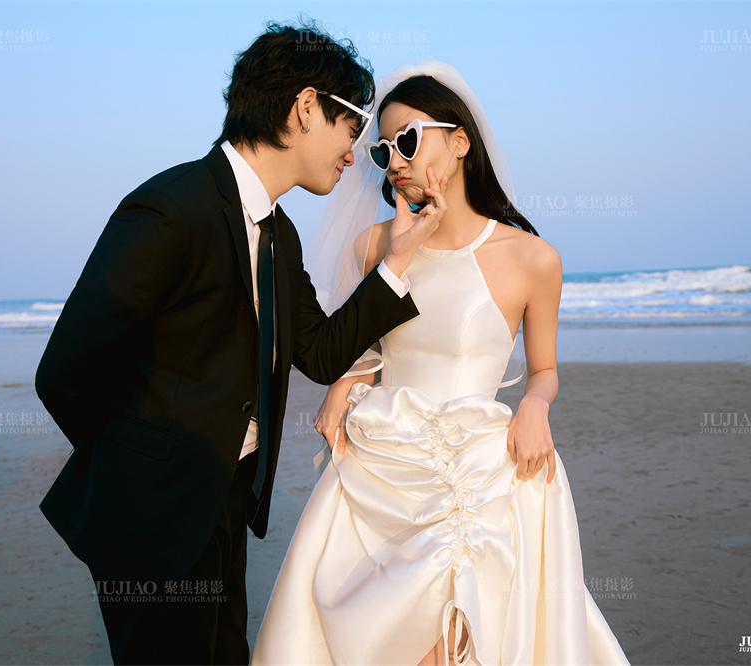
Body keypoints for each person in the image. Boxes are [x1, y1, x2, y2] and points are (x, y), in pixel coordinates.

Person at [34, 23, 449, 665]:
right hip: (155, 514)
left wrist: (396, 262)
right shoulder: (172, 208)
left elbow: (320, 352)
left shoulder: (279, 233)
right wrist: (145, 474)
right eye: (353, 126)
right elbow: (66, 372)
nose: (354, 152)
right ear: (306, 107)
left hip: (226, 503)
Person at [250, 58, 631, 665]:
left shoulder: (533, 258)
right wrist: (342, 386)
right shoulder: (373, 245)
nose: (395, 163)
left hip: (483, 470)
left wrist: (535, 405)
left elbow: (544, 370)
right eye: (383, 152)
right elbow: (362, 344)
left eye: (407, 141)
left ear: (459, 142)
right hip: (380, 467)